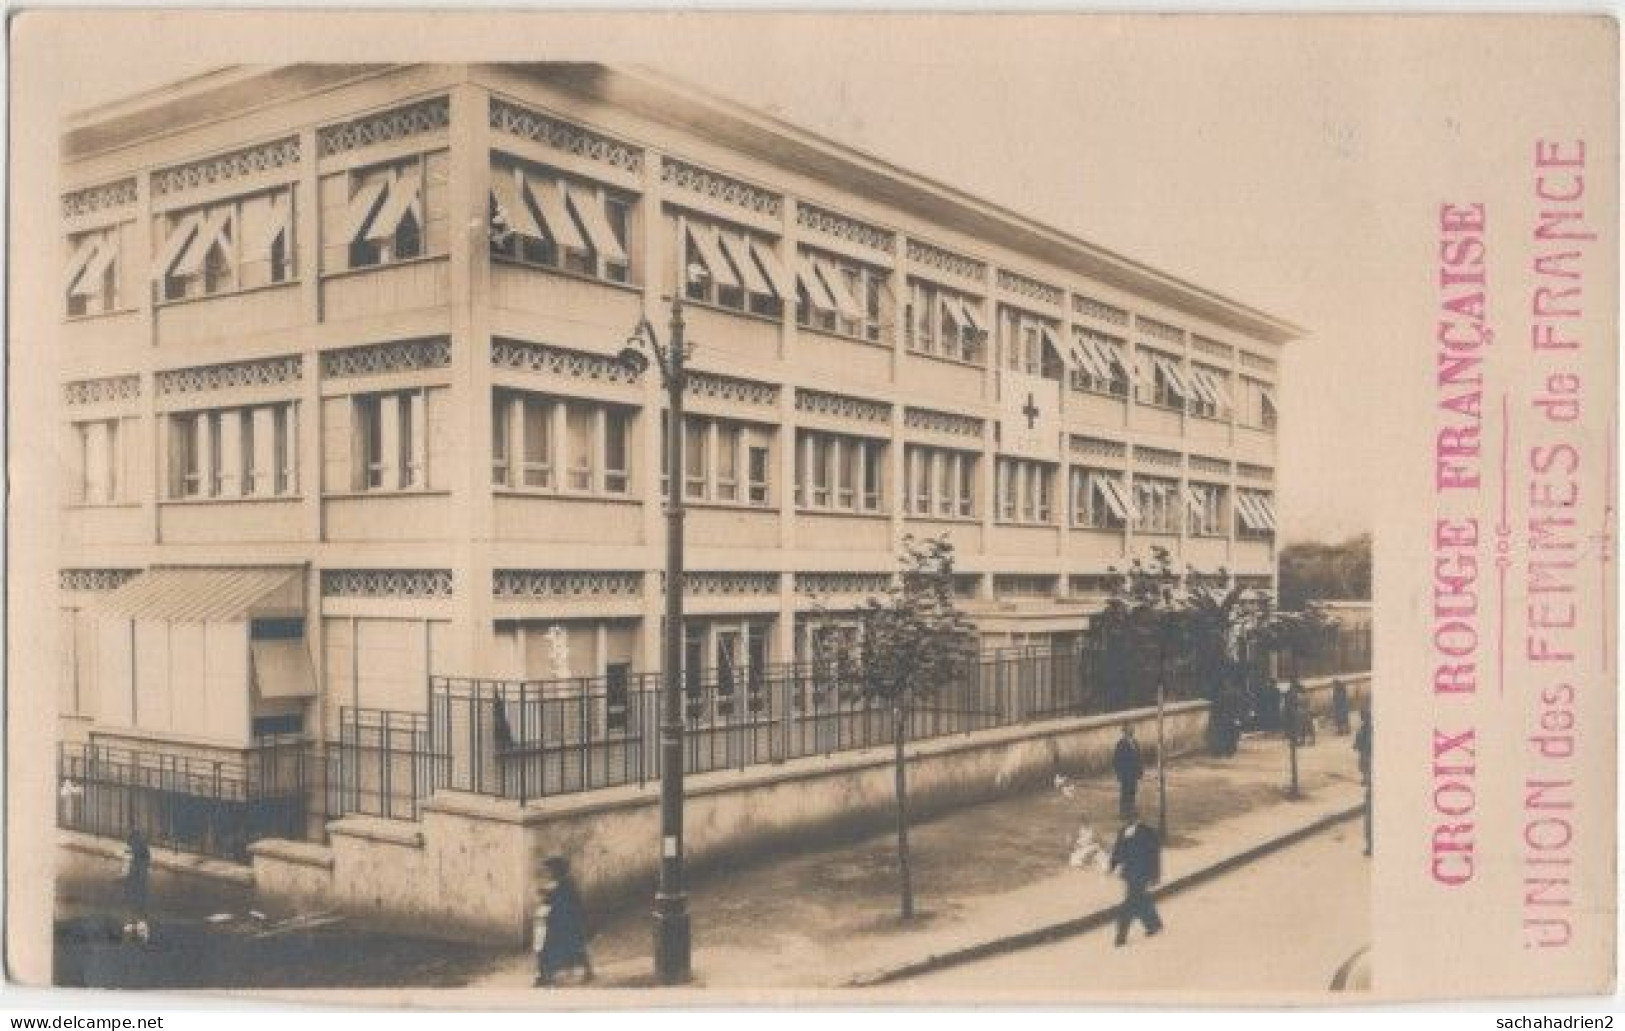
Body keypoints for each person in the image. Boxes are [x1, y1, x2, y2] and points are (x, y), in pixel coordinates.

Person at [533, 855, 593, 986]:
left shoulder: (566, 885)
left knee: (562, 949)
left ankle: (544, 976)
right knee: (564, 949)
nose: (547, 873)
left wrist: (547, 895)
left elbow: (570, 903)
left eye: (549, 870)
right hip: (558, 924)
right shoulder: (561, 884)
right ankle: (543, 976)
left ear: (556, 871)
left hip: (565, 924)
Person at [1109, 809, 1163, 946]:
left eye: (1129, 818)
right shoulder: (1122, 832)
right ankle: (1154, 924)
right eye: (1124, 819)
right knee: (1141, 899)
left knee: (1129, 904)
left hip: (1142, 874)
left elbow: (1154, 856)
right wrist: (1112, 865)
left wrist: (1155, 875)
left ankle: (1121, 935)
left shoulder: (1148, 832)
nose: (1126, 821)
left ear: (1136, 818)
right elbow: (1117, 851)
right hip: (1129, 873)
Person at [1112, 726, 1144, 819]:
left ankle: (1131, 811)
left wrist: (1140, 771)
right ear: (1124, 733)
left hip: (1134, 773)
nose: (1130, 732)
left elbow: (1139, 758)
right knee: (1125, 793)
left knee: (1133, 792)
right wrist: (1119, 774)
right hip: (1125, 774)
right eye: (1128, 731)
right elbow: (1116, 760)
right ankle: (1123, 812)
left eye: (1132, 730)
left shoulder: (1135, 743)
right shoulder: (1120, 744)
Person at [122, 828, 151, 929]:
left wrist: (124, 876)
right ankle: (139, 924)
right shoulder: (143, 850)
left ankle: (134, 924)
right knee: (138, 905)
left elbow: (129, 867)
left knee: (133, 904)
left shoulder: (135, 850)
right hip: (139, 882)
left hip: (136, 882)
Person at [1354, 708, 1372, 786]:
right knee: (1363, 765)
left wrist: (1357, 744)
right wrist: (1356, 744)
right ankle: (1366, 778)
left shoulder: (1368, 728)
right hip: (1364, 750)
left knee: (1366, 765)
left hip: (1367, 749)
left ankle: (1367, 779)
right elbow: (1359, 736)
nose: (1364, 719)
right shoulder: (1362, 728)